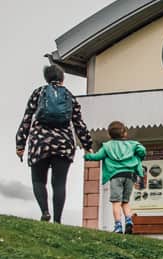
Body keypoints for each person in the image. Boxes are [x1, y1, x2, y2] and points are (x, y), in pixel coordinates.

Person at [15, 64, 93, 222]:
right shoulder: (70, 97)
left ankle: (45, 212)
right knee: (59, 183)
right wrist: (87, 145)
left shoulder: (38, 93)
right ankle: (57, 220)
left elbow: (27, 119)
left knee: (38, 180)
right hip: (63, 143)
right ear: (62, 79)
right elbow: (79, 124)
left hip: (40, 142)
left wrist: (20, 144)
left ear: (46, 78)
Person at [84, 121, 147, 233]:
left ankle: (118, 226)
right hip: (129, 175)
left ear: (109, 135)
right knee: (125, 202)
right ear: (125, 133)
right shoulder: (132, 144)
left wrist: (88, 156)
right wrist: (139, 156)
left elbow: (97, 156)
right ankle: (128, 221)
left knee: (116, 202)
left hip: (115, 176)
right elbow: (142, 150)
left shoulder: (107, 146)